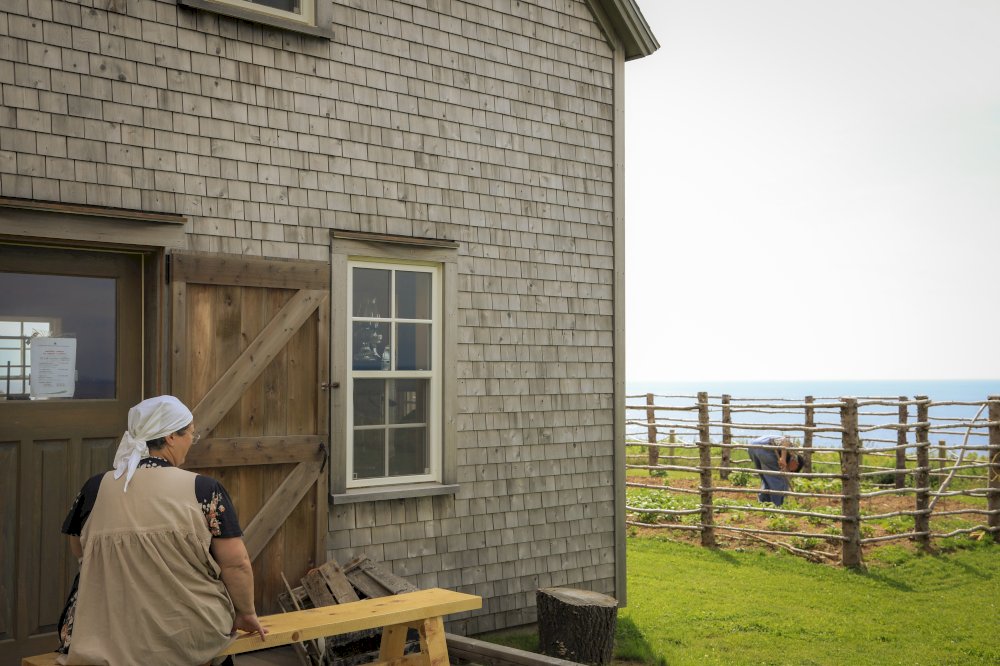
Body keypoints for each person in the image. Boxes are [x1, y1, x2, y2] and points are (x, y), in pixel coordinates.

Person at [57, 395, 267, 665]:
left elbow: (79, 550)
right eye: (190, 434)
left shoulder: (95, 488)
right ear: (170, 437)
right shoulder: (204, 490)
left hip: (104, 636)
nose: (191, 441)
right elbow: (236, 564)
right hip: (190, 634)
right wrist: (246, 613)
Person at [747, 435, 805, 506]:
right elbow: (785, 440)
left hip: (752, 446)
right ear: (797, 464)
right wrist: (783, 458)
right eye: (792, 470)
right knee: (779, 480)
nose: (790, 471)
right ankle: (778, 505)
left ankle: (764, 502)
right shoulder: (794, 452)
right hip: (765, 448)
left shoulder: (790, 457)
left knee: (765, 478)